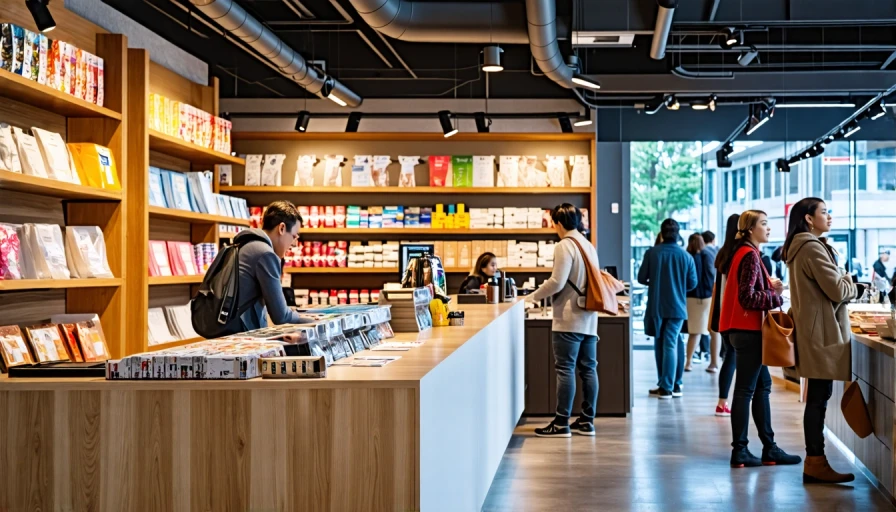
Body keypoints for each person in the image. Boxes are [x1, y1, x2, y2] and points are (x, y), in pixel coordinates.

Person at [782, 198, 858, 484]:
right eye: (824, 212)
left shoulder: (801, 247)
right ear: (809, 219)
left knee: (817, 398)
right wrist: (852, 281)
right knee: (817, 400)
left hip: (815, 332)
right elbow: (838, 290)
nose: (830, 217)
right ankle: (815, 462)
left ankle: (816, 461)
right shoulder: (812, 248)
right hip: (822, 335)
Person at [719, 209, 801, 468]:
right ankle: (740, 451)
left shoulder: (742, 253)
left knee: (761, 388)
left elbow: (748, 291)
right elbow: (748, 297)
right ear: (750, 229)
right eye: (764, 224)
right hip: (749, 332)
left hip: (740, 331)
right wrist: (777, 297)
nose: (769, 228)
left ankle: (769, 447)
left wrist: (769, 288)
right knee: (745, 390)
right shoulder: (750, 256)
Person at [528, 204, 599, 437]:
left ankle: (561, 423)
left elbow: (557, 282)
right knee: (588, 368)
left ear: (558, 223)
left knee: (565, 368)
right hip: (589, 316)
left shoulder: (564, 245)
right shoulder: (588, 245)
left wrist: (531, 297)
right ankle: (587, 421)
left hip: (569, 317)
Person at [638, 219, 697, 400]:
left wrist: (656, 281)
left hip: (657, 305)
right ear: (678, 234)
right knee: (674, 342)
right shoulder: (686, 256)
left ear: (662, 233)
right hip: (677, 306)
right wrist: (677, 286)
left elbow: (641, 278)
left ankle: (665, 387)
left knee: (661, 342)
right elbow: (692, 283)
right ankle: (675, 384)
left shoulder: (652, 253)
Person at [233, 200, 307, 330]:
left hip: (229, 329)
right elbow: (281, 316)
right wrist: (313, 320)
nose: (295, 243)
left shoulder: (247, 245)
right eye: (294, 236)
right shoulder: (265, 254)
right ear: (282, 228)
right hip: (242, 333)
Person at [710, 214, 741, 416]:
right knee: (732, 357)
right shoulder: (741, 253)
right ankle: (724, 402)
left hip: (722, 314)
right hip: (735, 316)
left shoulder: (724, 252)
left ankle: (722, 401)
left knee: (729, 356)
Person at [684, 234, 714, 372]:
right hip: (706, 297)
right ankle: (712, 362)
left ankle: (689, 361)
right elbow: (710, 275)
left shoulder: (686, 257)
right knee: (709, 330)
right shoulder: (706, 256)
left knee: (694, 332)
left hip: (690, 296)